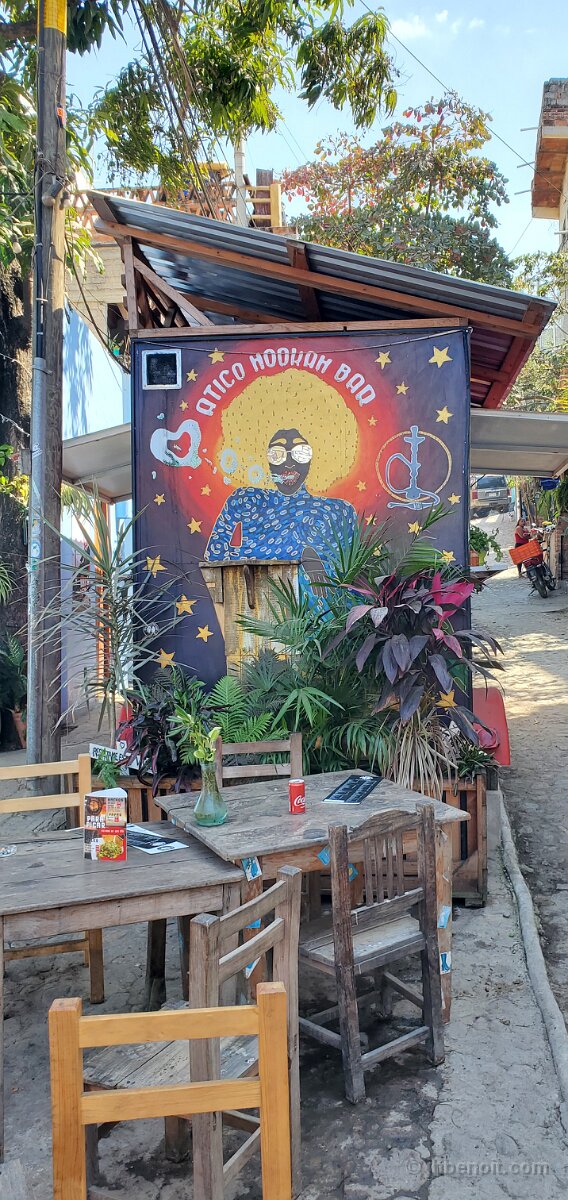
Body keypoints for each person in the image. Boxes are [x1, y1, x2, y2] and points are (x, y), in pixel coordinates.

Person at [205, 426, 358, 572]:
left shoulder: (337, 512)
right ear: (266, 460)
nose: (289, 463)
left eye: (301, 453)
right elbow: (215, 554)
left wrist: (313, 565)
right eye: (277, 454)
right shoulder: (247, 500)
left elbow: (346, 570)